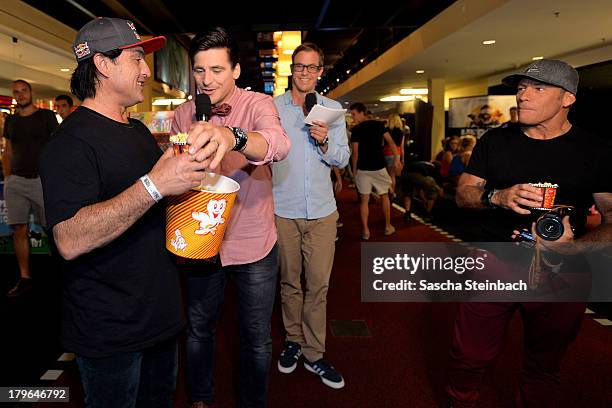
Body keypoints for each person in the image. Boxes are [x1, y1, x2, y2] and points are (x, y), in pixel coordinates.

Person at [39, 17, 211, 407]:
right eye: (137, 58)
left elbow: (152, 202)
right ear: (102, 64)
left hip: (161, 315)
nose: (146, 70)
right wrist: (154, 185)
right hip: (110, 329)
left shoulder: (136, 131)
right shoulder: (69, 143)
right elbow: (68, 238)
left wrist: (185, 185)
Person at [447, 59, 612, 407]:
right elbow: (463, 194)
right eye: (521, 87)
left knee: (544, 365)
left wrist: (575, 248)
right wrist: (498, 196)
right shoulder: (496, 141)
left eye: (538, 88)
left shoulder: (596, 151)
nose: (523, 95)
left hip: (563, 270)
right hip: (496, 262)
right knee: (469, 353)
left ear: (567, 99)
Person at [171, 26, 290, 408]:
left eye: (217, 70)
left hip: (253, 242)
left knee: (255, 336)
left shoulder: (257, 104)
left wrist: (232, 136)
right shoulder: (182, 114)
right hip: (200, 242)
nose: (207, 81)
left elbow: (277, 143)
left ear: (236, 70)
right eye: (200, 70)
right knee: (199, 330)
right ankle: (200, 399)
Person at [272, 42, 349, 389]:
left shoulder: (332, 110)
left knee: (317, 285)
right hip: (283, 210)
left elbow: (343, 159)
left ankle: (314, 353)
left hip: (322, 213)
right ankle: (292, 340)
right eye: (299, 66)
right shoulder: (273, 109)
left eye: (311, 67)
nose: (304, 72)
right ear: (293, 69)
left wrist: (324, 142)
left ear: (320, 71)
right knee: (289, 283)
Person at [3, 79, 58, 297]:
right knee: (19, 230)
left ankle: (62, 274)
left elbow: (57, 147)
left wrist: (54, 177)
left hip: (41, 181)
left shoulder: (46, 117)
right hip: (16, 182)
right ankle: (25, 277)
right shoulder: (11, 121)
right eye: (16, 92)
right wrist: (8, 178)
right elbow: (7, 150)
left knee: (51, 229)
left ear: (31, 92)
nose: (20, 94)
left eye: (23, 90)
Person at [349, 102, 401, 240]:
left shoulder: (356, 129)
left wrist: (354, 172)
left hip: (363, 169)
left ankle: (366, 231)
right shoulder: (379, 125)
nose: (353, 117)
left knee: (364, 201)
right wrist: (397, 158)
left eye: (354, 114)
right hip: (379, 166)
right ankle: (388, 226)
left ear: (362, 112)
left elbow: (355, 153)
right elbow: (391, 142)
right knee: (384, 196)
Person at [383, 113, 405, 196]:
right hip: (398, 154)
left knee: (387, 174)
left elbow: (382, 144)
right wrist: (402, 159)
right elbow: (402, 148)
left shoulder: (386, 130)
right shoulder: (401, 132)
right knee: (393, 175)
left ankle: (390, 191)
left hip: (387, 153)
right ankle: (392, 192)